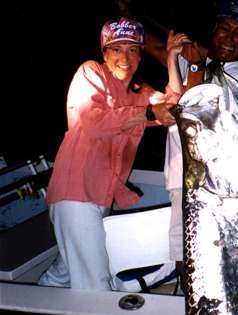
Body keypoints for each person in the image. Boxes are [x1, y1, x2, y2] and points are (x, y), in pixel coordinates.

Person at [38, 16, 177, 291]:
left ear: (140, 54)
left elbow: (174, 108)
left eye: (133, 49)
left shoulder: (140, 92)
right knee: (96, 286)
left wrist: (171, 59)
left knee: (65, 270)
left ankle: (29, 308)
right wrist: (148, 113)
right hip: (75, 193)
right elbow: (93, 120)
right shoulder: (91, 72)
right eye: (117, 49)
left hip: (102, 196)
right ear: (105, 52)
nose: (125, 56)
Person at [164, 0, 238, 286]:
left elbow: (193, 114)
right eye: (224, 28)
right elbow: (174, 103)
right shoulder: (200, 62)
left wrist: (193, 64)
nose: (229, 38)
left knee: (207, 261)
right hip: (183, 179)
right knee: (184, 257)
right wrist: (172, 56)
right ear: (213, 30)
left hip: (213, 185)